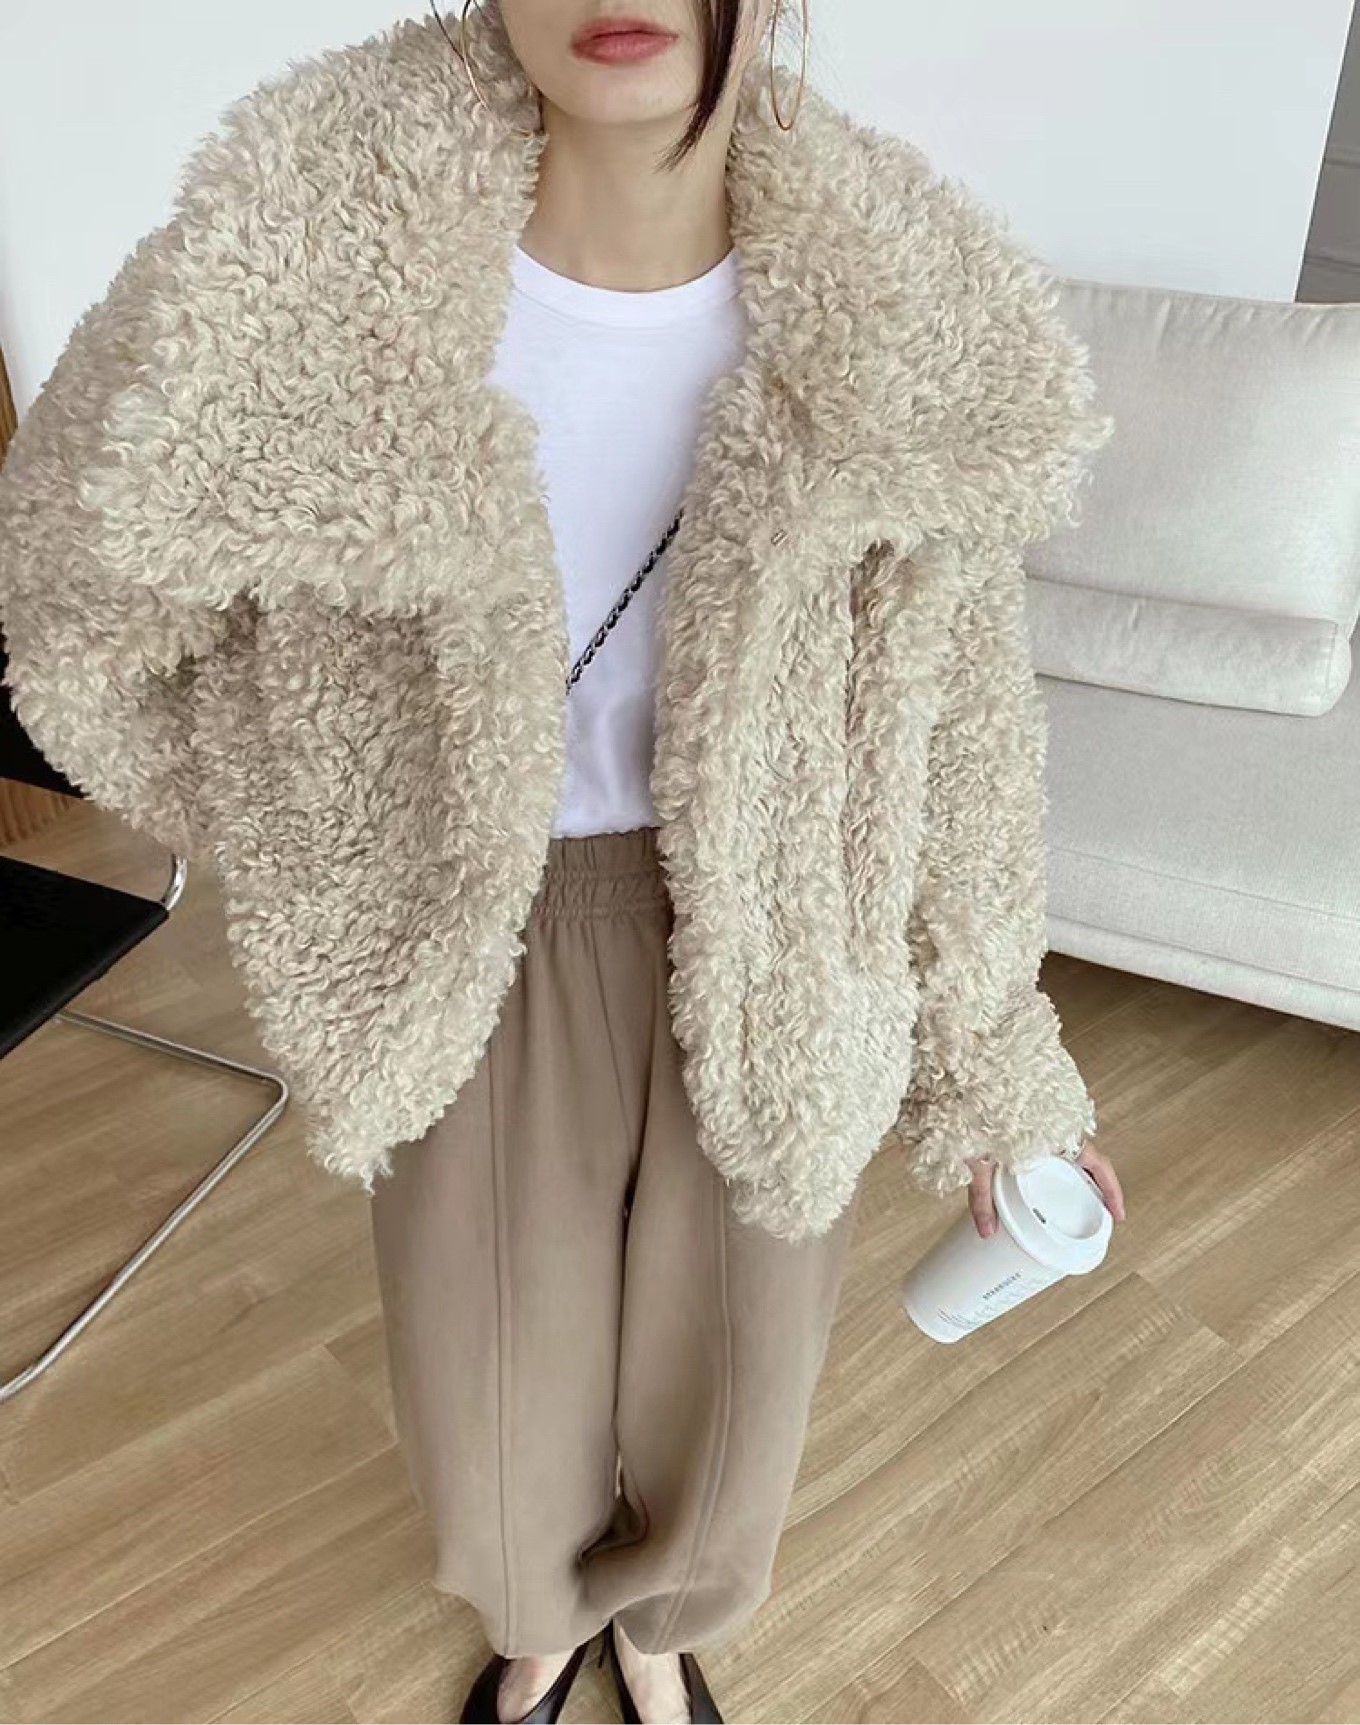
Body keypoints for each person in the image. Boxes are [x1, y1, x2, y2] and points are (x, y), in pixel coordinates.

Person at [0, 2, 1127, 1721]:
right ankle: (538, 1616)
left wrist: (998, 1060)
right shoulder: (290, 252)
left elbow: (961, 723)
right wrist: (313, 831)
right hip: (474, 919)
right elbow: (73, 610)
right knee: (490, 1372)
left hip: (786, 921)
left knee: (740, 1360)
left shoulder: (913, 305)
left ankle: (659, 1627)